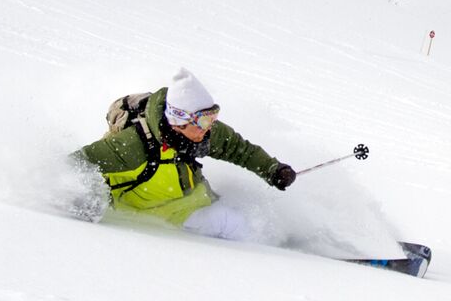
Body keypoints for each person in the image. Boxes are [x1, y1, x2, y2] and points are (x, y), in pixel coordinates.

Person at [68, 67, 297, 240]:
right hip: (144, 211)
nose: (210, 126)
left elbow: (241, 150)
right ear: (179, 121)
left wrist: (272, 169)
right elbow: (72, 165)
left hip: (188, 203)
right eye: (205, 119)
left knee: (247, 229)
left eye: (213, 117)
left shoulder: (203, 133)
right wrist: (86, 198)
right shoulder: (132, 145)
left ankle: (298, 248)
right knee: (237, 230)